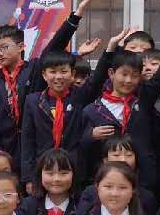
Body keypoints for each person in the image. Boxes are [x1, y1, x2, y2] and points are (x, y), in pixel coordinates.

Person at [0, 0, 98, 169]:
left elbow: (55, 47)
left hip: (35, 147)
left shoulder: (33, 69)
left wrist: (75, 16)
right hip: (4, 150)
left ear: (21, 46)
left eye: (4, 47)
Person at [73, 29, 160, 199]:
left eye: (134, 76)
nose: (128, 81)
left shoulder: (143, 103)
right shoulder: (92, 110)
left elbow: (159, 78)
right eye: (124, 74)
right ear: (111, 74)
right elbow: (79, 146)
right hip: (104, 183)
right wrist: (91, 136)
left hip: (143, 182)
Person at [19, 45, 103, 179]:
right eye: (52, 72)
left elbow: (98, 78)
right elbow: (27, 141)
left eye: (64, 72)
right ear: (44, 75)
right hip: (43, 169)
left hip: (74, 169)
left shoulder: (79, 96)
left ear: (72, 74)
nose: (58, 77)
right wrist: (29, 178)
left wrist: (110, 50)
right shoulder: (33, 101)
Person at [19, 148, 79, 215]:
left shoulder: (81, 207)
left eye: (63, 173)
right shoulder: (28, 206)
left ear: (73, 175)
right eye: (50, 173)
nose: (56, 179)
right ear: (40, 175)